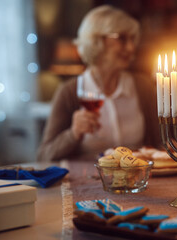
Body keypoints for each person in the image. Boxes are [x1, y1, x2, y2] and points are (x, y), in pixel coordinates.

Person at [37, 5, 160, 162]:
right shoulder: (69, 92)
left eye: (132, 39)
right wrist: (73, 133)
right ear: (96, 41)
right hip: (87, 182)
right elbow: (43, 156)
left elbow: (161, 145)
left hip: (138, 181)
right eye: (121, 38)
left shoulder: (143, 86)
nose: (131, 47)